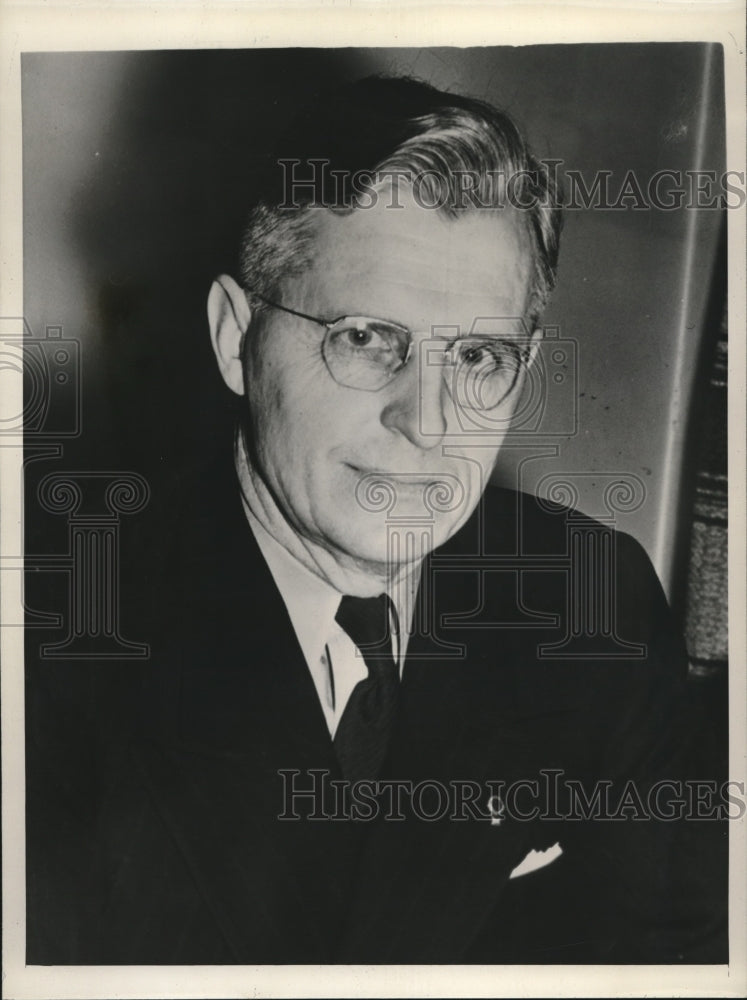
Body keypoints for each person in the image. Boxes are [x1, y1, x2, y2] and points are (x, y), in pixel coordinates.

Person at [25, 75, 726, 965]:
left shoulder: (596, 606)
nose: (426, 422)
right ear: (235, 337)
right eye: (365, 338)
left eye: (477, 355)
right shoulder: (58, 646)